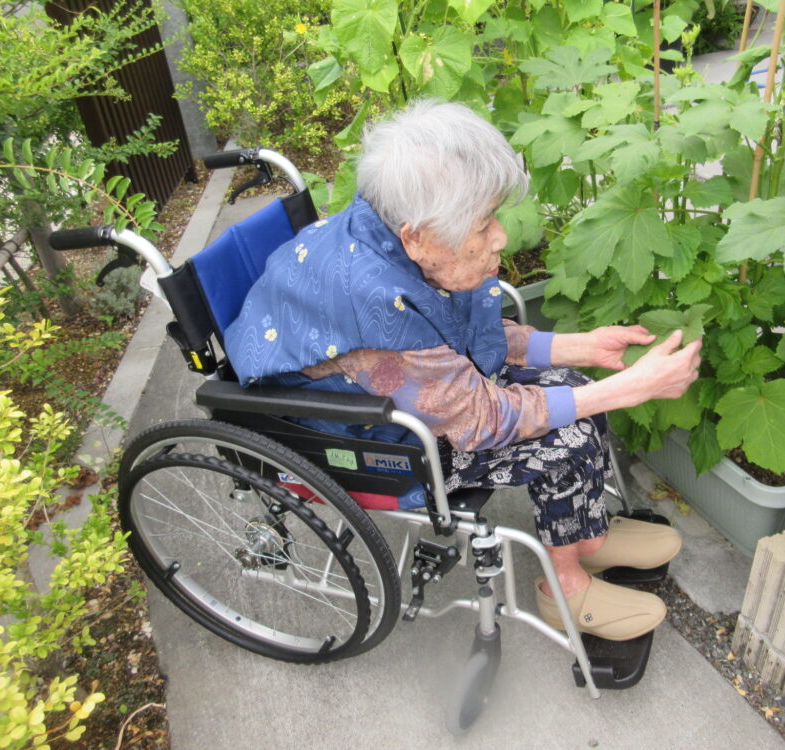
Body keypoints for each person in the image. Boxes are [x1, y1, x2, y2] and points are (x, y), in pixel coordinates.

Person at [224, 99, 702, 642]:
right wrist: (628, 390)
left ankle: (587, 539)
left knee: (575, 394)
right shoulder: (380, 309)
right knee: (562, 440)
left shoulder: (386, 225)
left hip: (414, 393)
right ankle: (563, 586)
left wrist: (582, 347)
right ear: (418, 236)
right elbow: (483, 422)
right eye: (483, 223)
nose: (500, 236)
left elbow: (462, 341)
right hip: (366, 437)